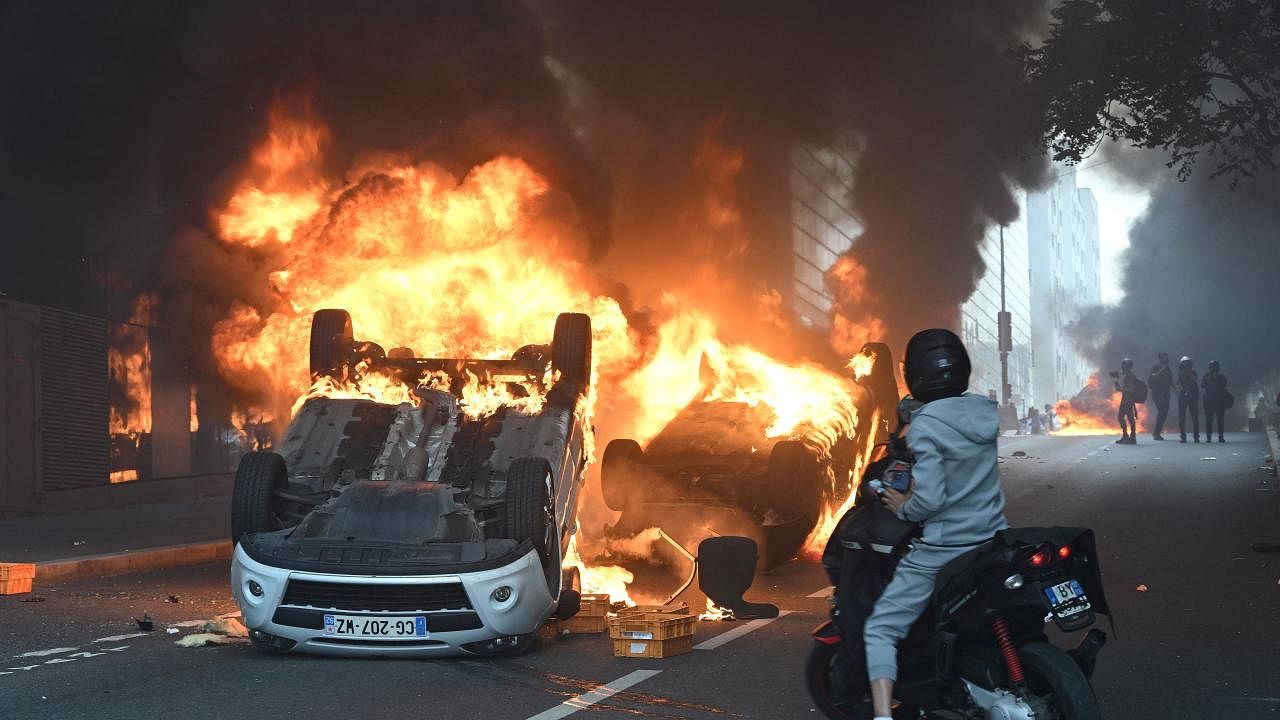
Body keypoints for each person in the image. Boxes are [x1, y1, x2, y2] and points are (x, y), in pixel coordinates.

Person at [865, 329, 1009, 720]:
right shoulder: (984, 412)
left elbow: (930, 500)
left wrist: (902, 506)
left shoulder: (927, 425)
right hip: (994, 539)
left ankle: (882, 715)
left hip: (947, 549)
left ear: (914, 374)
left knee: (880, 629)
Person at [1201, 360, 1229, 443]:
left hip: (1218, 401)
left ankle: (1220, 436)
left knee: (1219, 420)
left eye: (1214, 367)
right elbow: (1202, 385)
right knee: (1210, 420)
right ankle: (1209, 437)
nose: (1213, 369)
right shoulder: (1207, 376)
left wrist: (1216, 378)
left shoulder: (1221, 377)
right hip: (1209, 401)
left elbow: (1224, 384)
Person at [1147, 352, 1173, 441]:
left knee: (1164, 413)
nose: (1167, 359)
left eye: (1167, 357)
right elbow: (1153, 377)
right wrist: (1162, 369)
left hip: (1166, 393)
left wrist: (1176, 389)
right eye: (1165, 357)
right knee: (1162, 411)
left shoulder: (1168, 368)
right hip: (1157, 393)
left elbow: (1170, 380)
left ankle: (1157, 432)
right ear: (1161, 359)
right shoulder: (1156, 367)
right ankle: (1156, 433)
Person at [1114, 358, 1138, 444]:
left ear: (1129, 366)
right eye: (1122, 364)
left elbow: (1131, 390)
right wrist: (1116, 380)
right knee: (1121, 417)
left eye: (1124, 364)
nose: (1122, 366)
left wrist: (1121, 389)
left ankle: (1132, 437)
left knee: (1129, 418)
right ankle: (1126, 436)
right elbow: (1119, 388)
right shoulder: (1127, 376)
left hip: (1128, 400)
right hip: (1125, 400)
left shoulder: (1130, 376)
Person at [1177, 356, 1200, 443]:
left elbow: (1194, 380)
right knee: (1182, 418)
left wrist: (1188, 372)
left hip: (1192, 396)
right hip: (1183, 395)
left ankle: (1196, 437)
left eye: (1187, 364)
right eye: (1184, 364)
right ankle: (1183, 437)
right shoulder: (1180, 373)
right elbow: (1178, 383)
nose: (1186, 365)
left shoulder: (1193, 372)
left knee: (1194, 417)